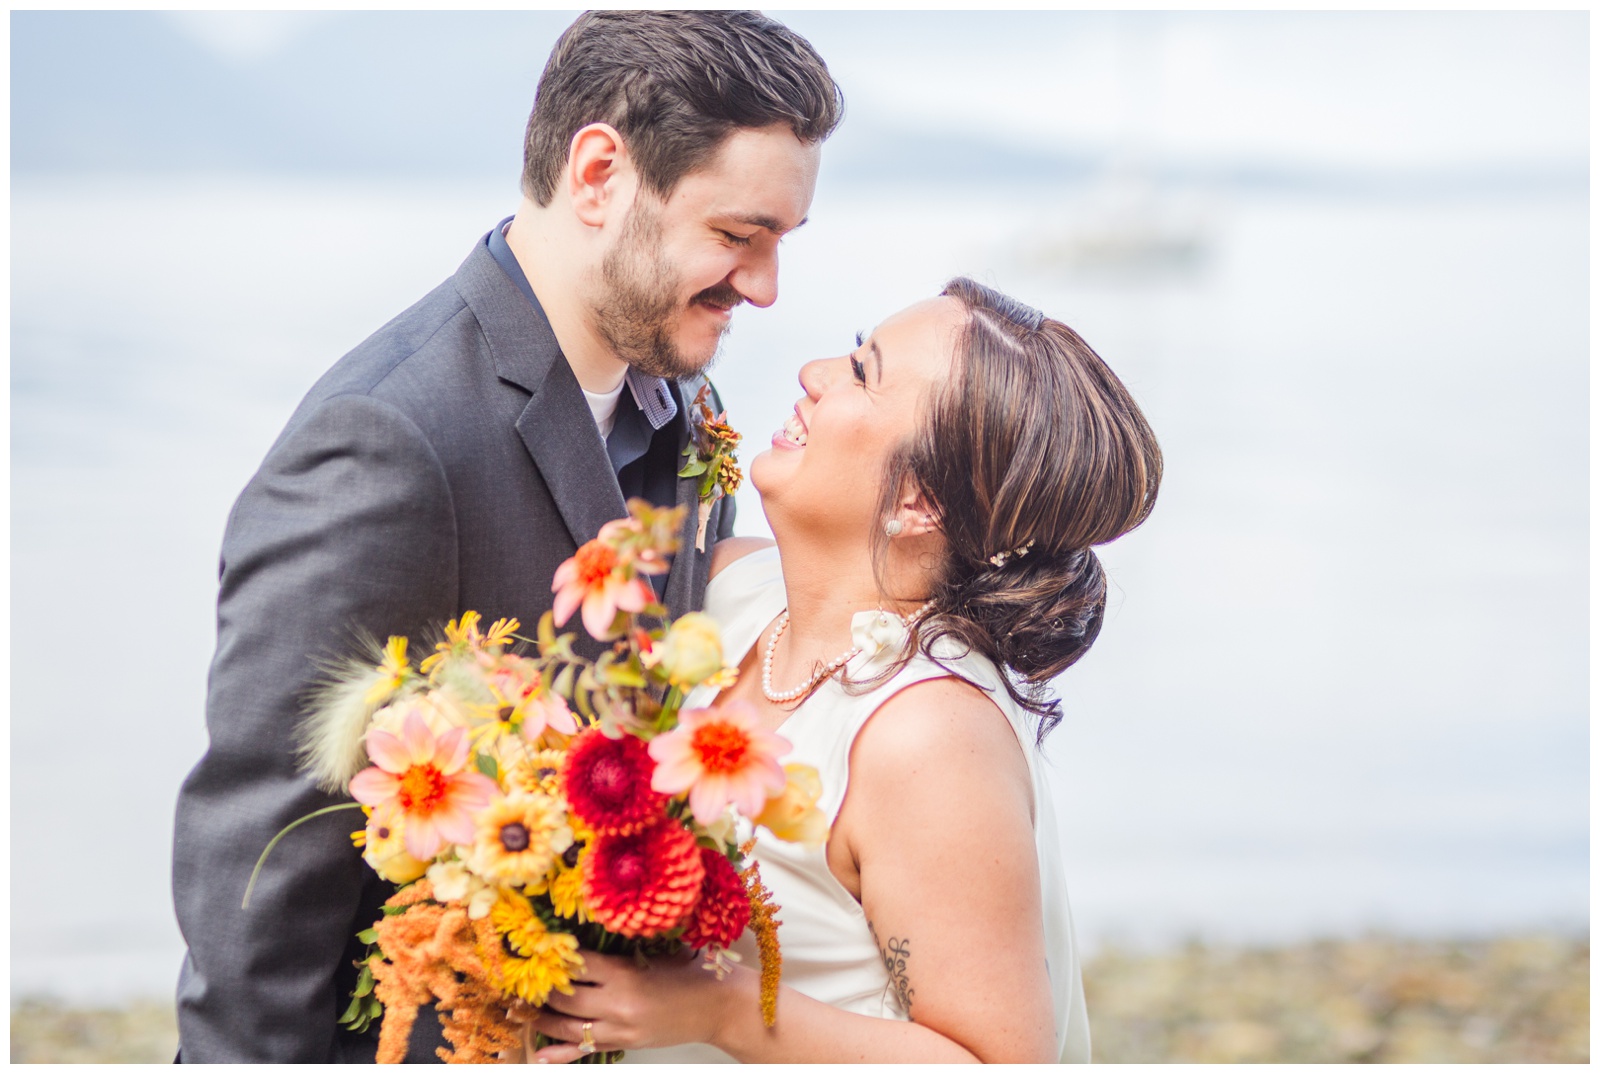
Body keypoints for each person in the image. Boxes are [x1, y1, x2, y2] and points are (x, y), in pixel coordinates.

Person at [170, 11, 842, 1063]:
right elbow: (257, 868)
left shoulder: (678, 390)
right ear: (598, 173)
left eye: (777, 244)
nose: (761, 286)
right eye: (734, 235)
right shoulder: (387, 440)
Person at [519, 278, 1163, 1064]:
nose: (815, 373)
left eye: (863, 372)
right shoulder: (728, 587)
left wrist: (724, 1013)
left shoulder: (927, 734)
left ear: (919, 501)